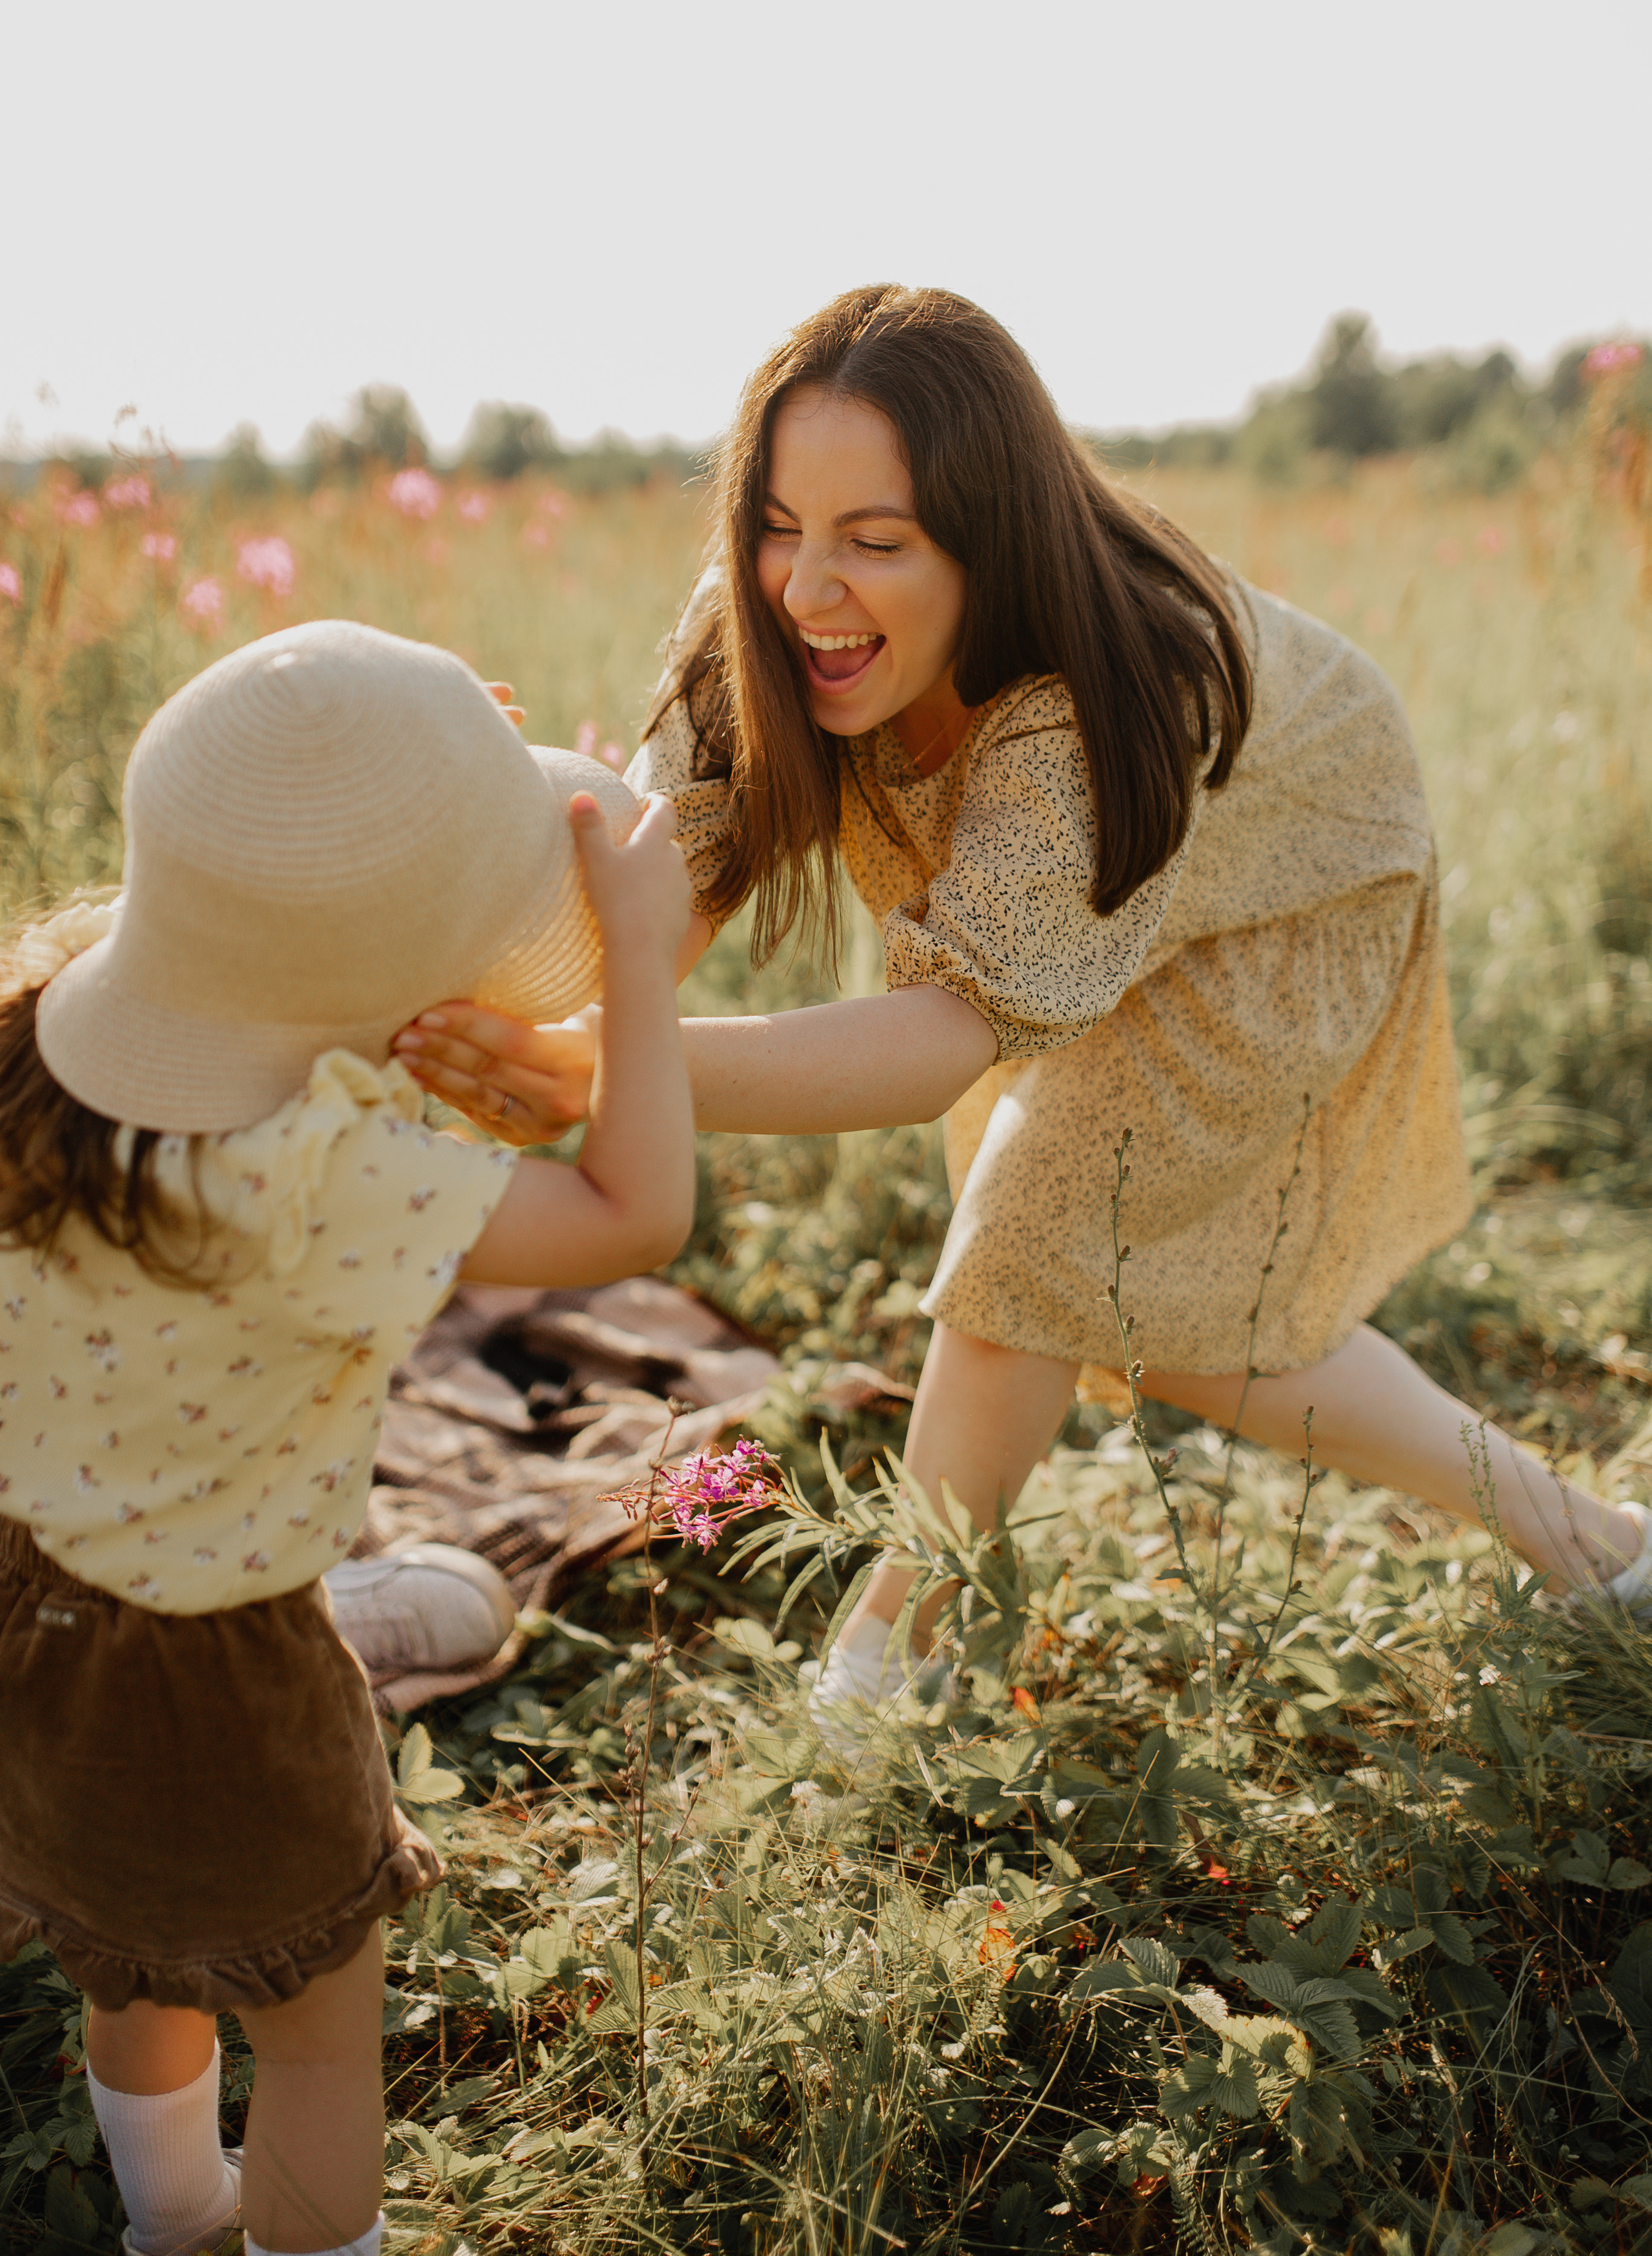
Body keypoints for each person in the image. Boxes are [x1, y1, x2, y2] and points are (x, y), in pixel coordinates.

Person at [393, 284, 1652, 1732]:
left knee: (1034, 1237)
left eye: (877, 543)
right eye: (779, 524)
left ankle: (884, 1670)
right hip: (1113, 883)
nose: (807, 589)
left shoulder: (1094, 700)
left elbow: (937, 1039)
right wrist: (487, 845)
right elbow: (663, 879)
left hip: (1290, 880)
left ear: (990, 543)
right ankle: (1592, 1547)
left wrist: (620, 1070)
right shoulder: (771, 610)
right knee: (1137, 1301)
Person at [0, 620, 692, 2256]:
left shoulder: (27, 1030)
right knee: (314, 2030)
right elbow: (630, 1208)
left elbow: (229, 934)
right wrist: (640, 961)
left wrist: (375, 835)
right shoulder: (317, 1176)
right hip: (223, 1672)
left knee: (135, 1962)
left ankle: (172, 2226)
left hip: (28, 1621)